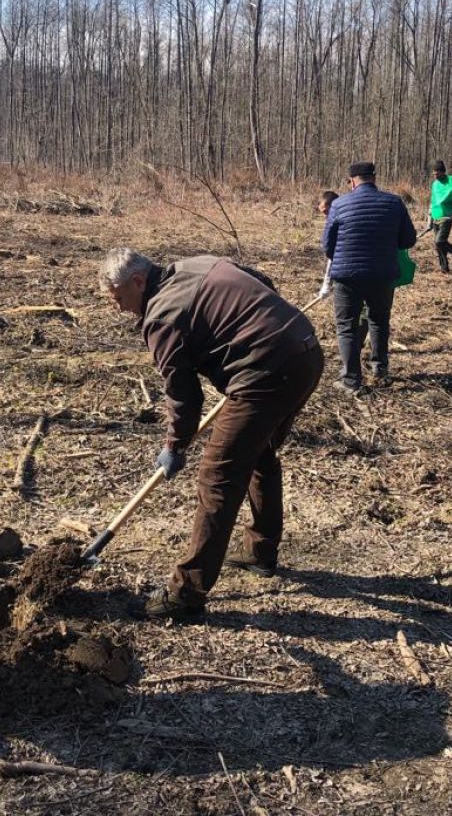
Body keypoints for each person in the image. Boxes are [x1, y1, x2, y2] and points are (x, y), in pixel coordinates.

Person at [99, 248, 323, 622]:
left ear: (138, 282)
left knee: (217, 476)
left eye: (120, 299)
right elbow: (262, 282)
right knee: (260, 453)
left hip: (265, 373)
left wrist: (175, 445)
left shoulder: (162, 317)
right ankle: (260, 551)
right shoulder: (195, 264)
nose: (121, 309)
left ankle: (186, 593)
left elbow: (183, 395)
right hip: (303, 351)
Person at [321, 161, 417, 394]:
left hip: (347, 275)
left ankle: (351, 380)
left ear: (352, 181)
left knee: (346, 325)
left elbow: (327, 245)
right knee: (379, 320)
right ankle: (380, 369)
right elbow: (408, 240)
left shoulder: (340, 204)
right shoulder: (394, 203)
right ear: (373, 178)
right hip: (382, 274)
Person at [427, 160, 452, 273]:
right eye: (433, 174)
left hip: (448, 217)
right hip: (436, 216)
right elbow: (433, 202)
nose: (435, 176)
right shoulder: (434, 185)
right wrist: (429, 221)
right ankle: (444, 268)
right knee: (438, 246)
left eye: (437, 174)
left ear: (442, 172)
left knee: (439, 241)